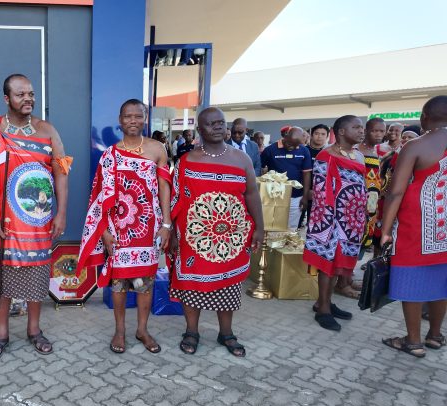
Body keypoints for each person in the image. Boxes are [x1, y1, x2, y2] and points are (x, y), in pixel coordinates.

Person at [0, 74, 70, 361]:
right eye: (21, 94)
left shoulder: (47, 131)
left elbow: (61, 172)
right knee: (2, 279)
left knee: (36, 277)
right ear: (6, 98)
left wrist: (61, 213)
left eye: (31, 94)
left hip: (37, 223)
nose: (28, 99)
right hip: (2, 224)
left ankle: (34, 330)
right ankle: (1, 334)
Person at [169, 107, 264, 357]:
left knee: (228, 285)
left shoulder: (242, 159)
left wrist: (260, 228)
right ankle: (191, 331)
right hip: (195, 237)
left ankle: (226, 333)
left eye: (221, 122)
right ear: (200, 130)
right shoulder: (187, 160)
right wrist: (173, 234)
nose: (218, 126)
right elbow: (176, 199)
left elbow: (252, 194)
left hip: (231, 237)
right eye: (211, 124)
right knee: (191, 284)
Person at [78, 99, 171, 354]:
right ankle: (119, 331)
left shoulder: (157, 149)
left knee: (146, 282)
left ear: (145, 119)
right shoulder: (110, 155)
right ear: (120, 120)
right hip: (118, 228)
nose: (133, 121)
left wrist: (166, 224)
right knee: (118, 282)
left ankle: (142, 330)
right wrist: (104, 232)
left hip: (148, 227)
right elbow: (99, 196)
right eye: (128, 116)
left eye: (138, 116)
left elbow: (164, 188)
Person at [380, 96, 447, 358]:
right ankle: (435, 335)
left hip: (416, 225)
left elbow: (396, 192)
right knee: (442, 279)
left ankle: (413, 341)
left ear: (424, 117)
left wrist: (386, 230)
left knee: (411, 277)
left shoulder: (416, 145)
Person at [302, 115, 367, 331]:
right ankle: (323, 310)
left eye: (361, 127)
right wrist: (328, 223)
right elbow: (320, 190)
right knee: (327, 263)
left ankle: (325, 301)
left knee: (338, 263)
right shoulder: (326, 155)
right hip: (330, 219)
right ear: (341, 131)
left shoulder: (359, 155)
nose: (361, 131)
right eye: (356, 127)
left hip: (352, 219)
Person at [260, 127, 312, 229]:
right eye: (289, 144)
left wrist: (305, 197)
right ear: (285, 136)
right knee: (273, 226)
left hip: (296, 197)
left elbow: (306, 174)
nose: (291, 148)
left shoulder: (304, 150)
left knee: (292, 228)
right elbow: (260, 169)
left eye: (295, 145)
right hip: (275, 196)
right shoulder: (270, 150)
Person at [358, 117, 386, 258]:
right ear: (366, 131)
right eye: (374, 131)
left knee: (366, 236)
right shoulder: (357, 150)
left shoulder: (374, 151)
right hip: (359, 202)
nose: (378, 134)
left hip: (372, 204)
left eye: (382, 131)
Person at [299, 124, 330, 227]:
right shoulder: (303, 150)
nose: (319, 136)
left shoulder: (329, 153)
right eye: (316, 133)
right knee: (296, 224)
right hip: (300, 192)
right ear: (311, 135)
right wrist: (305, 191)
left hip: (320, 194)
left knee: (313, 225)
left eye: (323, 134)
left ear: (327, 137)